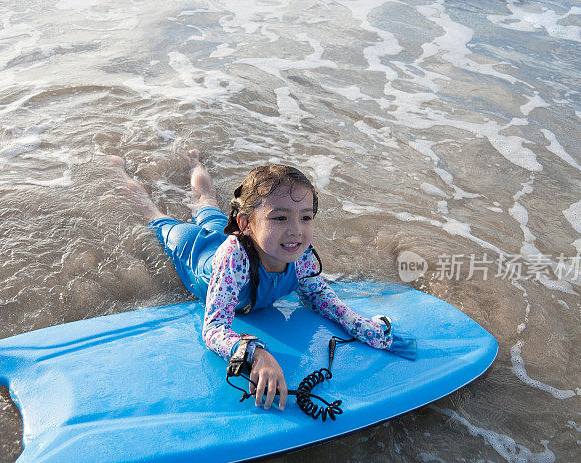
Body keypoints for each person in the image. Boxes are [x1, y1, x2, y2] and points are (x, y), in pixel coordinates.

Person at [107, 150, 393, 411]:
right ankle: (118, 170)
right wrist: (256, 353)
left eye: (305, 217)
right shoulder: (235, 260)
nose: (296, 230)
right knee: (155, 216)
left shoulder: (300, 254)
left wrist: (359, 325)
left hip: (232, 235)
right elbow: (213, 328)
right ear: (247, 224)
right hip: (197, 252)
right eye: (280, 218)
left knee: (206, 203)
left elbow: (316, 294)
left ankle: (194, 162)